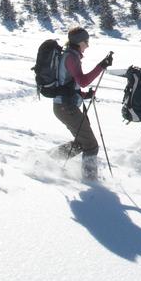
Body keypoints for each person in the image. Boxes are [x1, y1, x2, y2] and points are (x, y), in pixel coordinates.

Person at [52, 27, 113, 180]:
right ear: (80, 42)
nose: (88, 45)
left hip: (64, 106)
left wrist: (85, 95)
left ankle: (47, 160)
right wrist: (101, 65)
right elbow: (83, 81)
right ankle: (90, 180)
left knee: (81, 143)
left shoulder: (70, 56)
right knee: (91, 145)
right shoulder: (71, 57)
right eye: (86, 41)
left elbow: (69, 84)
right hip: (66, 107)